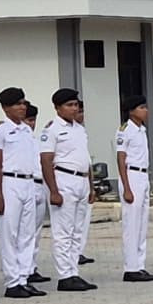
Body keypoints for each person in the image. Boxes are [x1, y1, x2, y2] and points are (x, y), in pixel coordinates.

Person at [0, 90, 47, 294]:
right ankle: (12, 281)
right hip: (10, 182)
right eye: (18, 104)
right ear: (6, 108)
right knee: (10, 234)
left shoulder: (26, 130)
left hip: (28, 183)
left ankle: (24, 277)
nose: (23, 107)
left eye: (24, 103)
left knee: (27, 233)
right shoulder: (1, 130)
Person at [48, 87, 98, 291]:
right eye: (69, 105)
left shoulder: (79, 128)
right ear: (58, 108)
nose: (74, 108)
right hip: (64, 179)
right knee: (63, 231)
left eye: (76, 104)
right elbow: (46, 160)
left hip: (82, 181)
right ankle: (64, 276)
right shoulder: (52, 129)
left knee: (78, 231)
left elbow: (85, 158)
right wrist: (53, 190)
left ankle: (73, 271)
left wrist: (91, 187)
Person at [116, 95, 153, 282]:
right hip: (131, 175)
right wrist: (126, 187)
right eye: (141, 107)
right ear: (132, 111)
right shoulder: (125, 130)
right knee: (131, 224)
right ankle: (130, 268)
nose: (145, 111)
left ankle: (140, 265)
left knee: (141, 224)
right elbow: (121, 159)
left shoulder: (142, 130)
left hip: (143, 176)